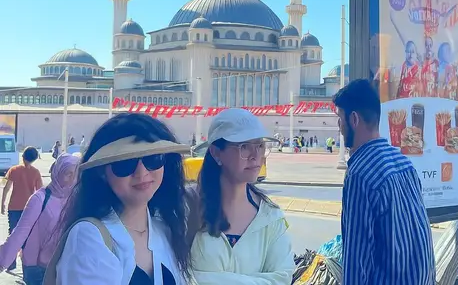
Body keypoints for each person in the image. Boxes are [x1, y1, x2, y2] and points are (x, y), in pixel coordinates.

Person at [50, 113, 192, 284]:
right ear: (102, 172)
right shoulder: (88, 237)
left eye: (153, 158)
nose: (142, 172)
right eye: (125, 164)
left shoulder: (164, 229)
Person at [333, 79, 435, 284]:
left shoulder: (360, 174)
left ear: (354, 119)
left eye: (340, 119)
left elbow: (357, 261)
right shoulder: (403, 163)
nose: (339, 127)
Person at [187, 108, 294, 284]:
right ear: (216, 152)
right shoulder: (187, 207)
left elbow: (282, 278)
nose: (255, 156)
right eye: (244, 147)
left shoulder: (270, 216)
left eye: (260, 146)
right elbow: (180, 275)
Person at [0, 154, 79, 284]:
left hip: (63, 268)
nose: (72, 179)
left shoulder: (75, 200)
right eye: (68, 173)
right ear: (57, 172)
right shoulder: (40, 199)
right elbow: (20, 232)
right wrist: (2, 261)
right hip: (37, 269)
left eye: (76, 174)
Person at [1, 146, 42, 271]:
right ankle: (26, 264)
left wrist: (2, 203)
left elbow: (6, 188)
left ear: (23, 156)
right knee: (27, 236)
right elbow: (40, 192)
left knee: (13, 234)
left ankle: (10, 263)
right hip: (29, 208)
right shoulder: (36, 173)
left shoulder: (13, 170)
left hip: (13, 207)